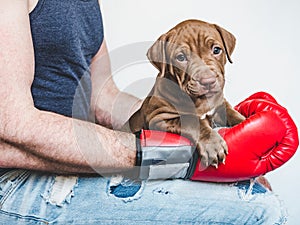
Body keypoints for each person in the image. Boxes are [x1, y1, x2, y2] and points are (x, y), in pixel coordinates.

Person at [0, 0, 287, 224]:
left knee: (251, 192)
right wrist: (177, 155)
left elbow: (104, 98)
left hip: (73, 163)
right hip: (15, 180)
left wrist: (228, 142)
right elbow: (13, 125)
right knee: (259, 210)